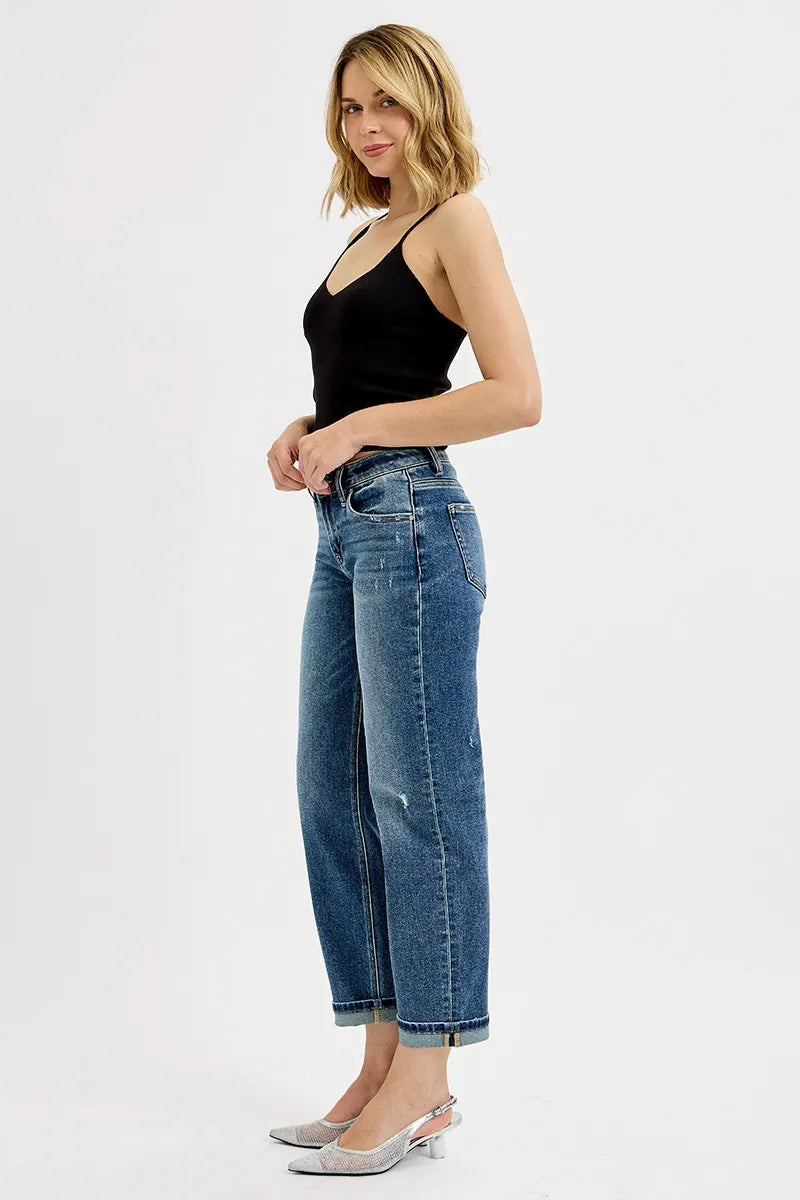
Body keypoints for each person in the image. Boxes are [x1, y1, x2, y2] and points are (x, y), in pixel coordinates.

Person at [266, 23, 541, 1176]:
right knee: (332, 792)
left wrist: (365, 429)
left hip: (414, 524)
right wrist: (303, 434)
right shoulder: (366, 231)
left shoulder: (452, 222)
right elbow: (357, 381)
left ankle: (427, 1074)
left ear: (429, 104)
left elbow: (515, 393)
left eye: (386, 103)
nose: (368, 127)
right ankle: (380, 1055)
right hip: (346, 528)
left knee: (417, 799)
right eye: (349, 108)